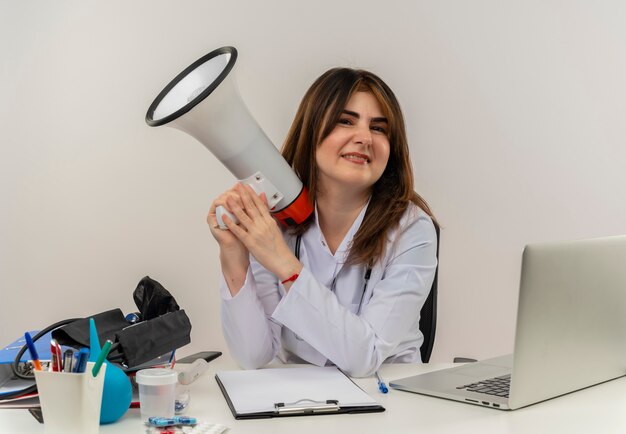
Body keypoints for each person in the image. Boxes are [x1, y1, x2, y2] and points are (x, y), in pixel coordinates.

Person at [207, 67, 438, 378]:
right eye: (346, 121)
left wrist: (283, 262)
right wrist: (234, 257)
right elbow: (254, 356)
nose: (364, 138)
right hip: (304, 402)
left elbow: (365, 357)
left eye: (379, 128)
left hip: (390, 400)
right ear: (312, 129)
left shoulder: (412, 230)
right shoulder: (275, 221)